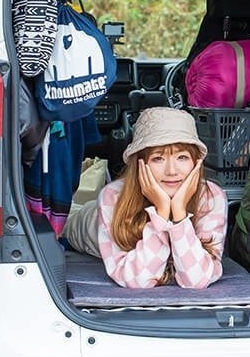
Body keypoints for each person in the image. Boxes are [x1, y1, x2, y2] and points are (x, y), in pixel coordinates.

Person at [67, 107, 227, 289]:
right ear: (140, 164)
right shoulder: (112, 197)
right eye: (158, 158)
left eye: (182, 157)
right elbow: (139, 280)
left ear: (196, 163)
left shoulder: (211, 196)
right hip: (84, 224)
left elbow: (196, 280)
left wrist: (179, 214)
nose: (172, 171)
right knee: (67, 217)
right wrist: (161, 213)